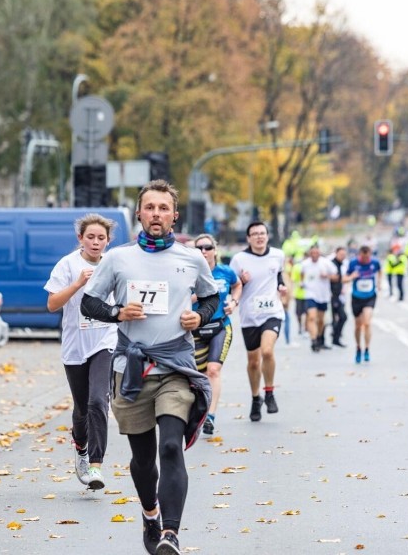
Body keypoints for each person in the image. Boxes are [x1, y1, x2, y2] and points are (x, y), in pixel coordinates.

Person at [80, 179, 218, 555]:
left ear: (174, 216)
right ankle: (150, 513)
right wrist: (117, 312)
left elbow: (211, 299)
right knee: (143, 460)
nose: (156, 214)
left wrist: (197, 318)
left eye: (163, 208)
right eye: (150, 207)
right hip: (131, 369)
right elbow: (88, 304)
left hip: (176, 365)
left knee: (171, 447)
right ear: (139, 213)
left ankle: (171, 534)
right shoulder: (118, 259)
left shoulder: (191, 259)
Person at [44, 213, 118, 491]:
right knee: (82, 407)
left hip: (104, 340)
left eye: (101, 238)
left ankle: (96, 465)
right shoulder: (68, 264)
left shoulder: (112, 264)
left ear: (108, 241)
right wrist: (77, 283)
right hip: (75, 344)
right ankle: (81, 446)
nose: (96, 242)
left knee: (99, 401)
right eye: (91, 237)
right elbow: (52, 304)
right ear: (80, 239)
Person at [229, 221, 287, 422]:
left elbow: (279, 275)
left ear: (267, 236)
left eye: (262, 233)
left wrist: (282, 287)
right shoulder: (238, 260)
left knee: (267, 351)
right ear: (248, 238)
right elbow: (232, 286)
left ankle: (269, 392)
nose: (259, 237)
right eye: (255, 234)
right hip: (249, 315)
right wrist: (241, 281)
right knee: (253, 362)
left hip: (272, 312)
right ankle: (256, 398)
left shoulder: (278, 255)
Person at [191, 233, 241, 435]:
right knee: (197, 376)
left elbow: (237, 284)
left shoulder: (225, 272)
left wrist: (234, 301)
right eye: (199, 248)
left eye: (208, 247)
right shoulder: (187, 273)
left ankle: (210, 416)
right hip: (194, 328)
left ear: (215, 250)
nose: (204, 251)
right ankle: (199, 411)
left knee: (213, 370)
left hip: (220, 326)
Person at [346, 246, 382, 364]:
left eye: (368, 257)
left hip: (370, 296)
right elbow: (344, 278)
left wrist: (379, 283)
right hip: (356, 297)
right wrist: (352, 277)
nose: (366, 259)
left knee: (366, 323)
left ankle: (367, 348)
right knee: (357, 325)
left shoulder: (375, 262)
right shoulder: (353, 263)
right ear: (360, 255)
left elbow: (380, 271)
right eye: (363, 257)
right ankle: (358, 347)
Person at [300, 244, 338, 353]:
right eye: (312, 253)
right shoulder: (305, 264)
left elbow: (336, 276)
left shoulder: (326, 263)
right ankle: (313, 340)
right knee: (311, 317)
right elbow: (302, 273)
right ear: (309, 254)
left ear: (319, 253)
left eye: (316, 253)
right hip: (310, 294)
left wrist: (327, 276)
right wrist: (302, 282)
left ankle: (319, 336)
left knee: (321, 320)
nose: (314, 255)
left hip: (323, 295)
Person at [328, 247, 349, 348]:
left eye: (344, 255)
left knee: (341, 317)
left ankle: (335, 338)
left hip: (339, 295)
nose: (342, 257)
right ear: (336, 253)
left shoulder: (342, 264)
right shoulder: (331, 264)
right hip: (331, 295)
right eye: (341, 255)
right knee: (337, 317)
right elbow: (330, 277)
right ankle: (321, 340)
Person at [290, 253, 307, 339]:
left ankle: (303, 327)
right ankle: (302, 327)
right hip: (299, 294)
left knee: (303, 313)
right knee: (300, 313)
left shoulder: (305, 266)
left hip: (306, 294)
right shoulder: (297, 267)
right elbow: (293, 280)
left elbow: (292, 281)